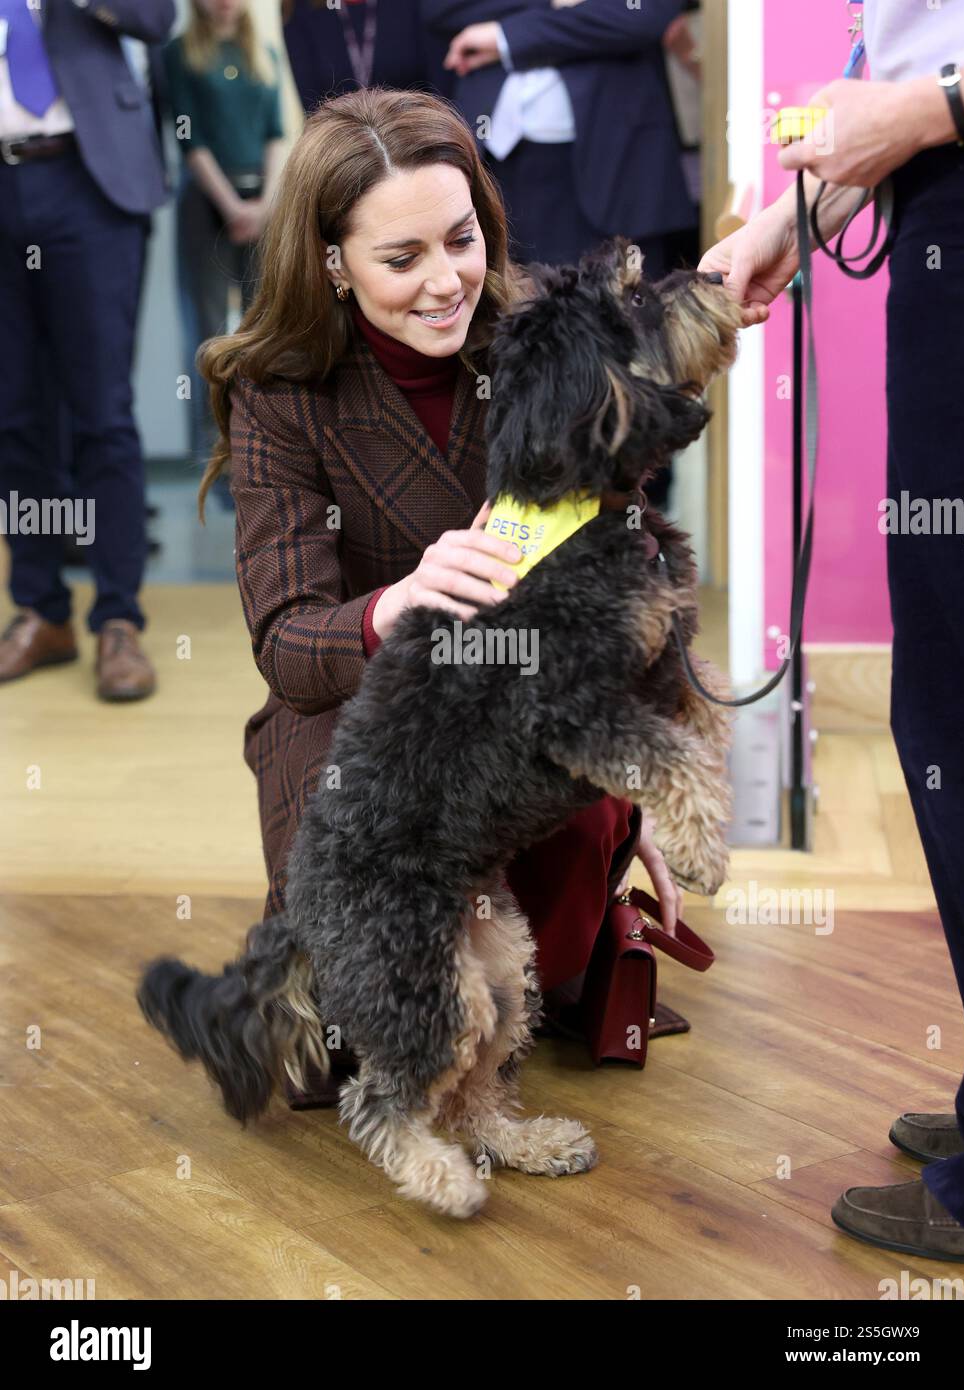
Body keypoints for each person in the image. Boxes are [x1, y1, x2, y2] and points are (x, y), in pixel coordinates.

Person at [197, 86, 683, 1106]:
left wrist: (643, 797)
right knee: (345, 1051)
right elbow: (286, 645)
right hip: (353, 713)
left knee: (537, 979)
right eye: (399, 259)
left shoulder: (541, 329)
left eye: (460, 240)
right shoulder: (278, 392)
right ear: (333, 262)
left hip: (519, 696)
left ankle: (586, 904)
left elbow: (630, 550)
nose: (444, 281)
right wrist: (396, 601)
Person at [698, 7, 964, 1260]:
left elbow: (919, 83)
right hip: (934, 200)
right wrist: (771, 232)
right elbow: (908, 59)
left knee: (955, 713)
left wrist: (925, 116)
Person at [0, 0, 174, 700]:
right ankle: (40, 611)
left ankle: (118, 619)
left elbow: (157, 18)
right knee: (11, 416)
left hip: (86, 181)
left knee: (103, 411)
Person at [421, 0, 694, 274]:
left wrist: (507, 35)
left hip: (615, 159)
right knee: (505, 304)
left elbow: (644, 14)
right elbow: (442, 9)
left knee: (620, 306)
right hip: (494, 158)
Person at [163, 0, 286, 489]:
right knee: (210, 336)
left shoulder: (262, 52)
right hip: (208, 205)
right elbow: (189, 142)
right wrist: (232, 206)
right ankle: (215, 468)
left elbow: (277, 134)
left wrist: (266, 204)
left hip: (264, 203)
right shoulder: (180, 54)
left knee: (267, 332)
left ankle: (266, 458)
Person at [281, 0, 454, 114]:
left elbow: (443, 95)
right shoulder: (300, 10)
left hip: (420, 138)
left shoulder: (420, 5)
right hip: (347, 150)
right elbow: (313, 108)